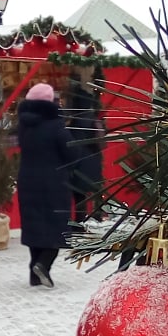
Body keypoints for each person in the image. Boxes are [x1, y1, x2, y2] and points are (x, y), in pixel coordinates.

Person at [16, 82, 76, 288]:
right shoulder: (56, 126)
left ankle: (34, 273)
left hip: (27, 181)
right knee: (57, 229)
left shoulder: (24, 125)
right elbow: (71, 152)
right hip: (53, 184)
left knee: (34, 229)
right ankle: (43, 265)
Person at [62, 74, 104, 224]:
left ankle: (79, 222)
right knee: (93, 192)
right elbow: (101, 141)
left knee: (78, 194)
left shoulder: (75, 120)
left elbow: (74, 143)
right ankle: (96, 217)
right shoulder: (93, 118)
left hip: (80, 162)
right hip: (94, 161)